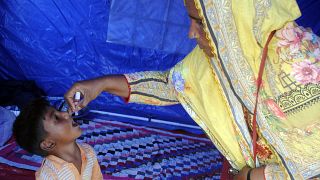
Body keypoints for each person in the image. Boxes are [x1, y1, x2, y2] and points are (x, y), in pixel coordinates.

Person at [65, 0, 320, 179]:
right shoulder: (220, 59)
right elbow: (171, 85)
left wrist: (258, 177)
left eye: (198, 21)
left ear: (227, 18)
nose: (190, 33)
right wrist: (99, 85)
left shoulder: (301, 59)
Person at [12, 98, 103, 180]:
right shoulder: (49, 175)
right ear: (48, 143)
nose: (66, 113)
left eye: (59, 111)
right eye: (56, 118)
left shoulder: (88, 152)